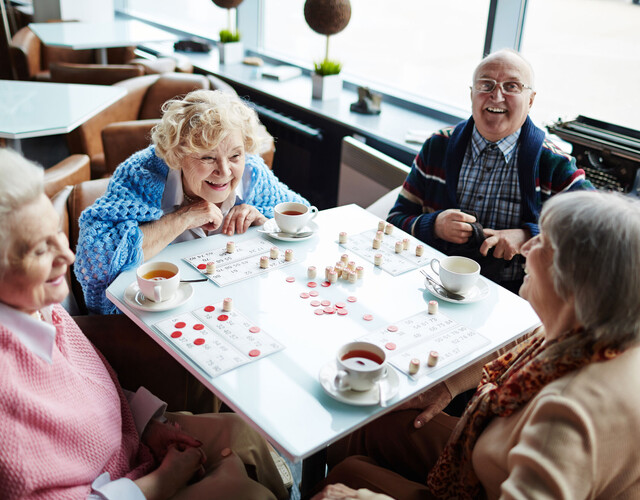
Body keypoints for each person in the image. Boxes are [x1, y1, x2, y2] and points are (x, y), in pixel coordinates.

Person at [0, 148, 289, 500]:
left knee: (242, 432)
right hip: (125, 488)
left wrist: (149, 424)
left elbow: (85, 391)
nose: (68, 256)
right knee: (250, 494)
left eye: (57, 236)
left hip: (130, 448)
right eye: (39, 250)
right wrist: (162, 481)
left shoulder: (39, 306)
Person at [321, 190, 640, 499]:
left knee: (345, 476)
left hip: (492, 484)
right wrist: (447, 386)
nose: (527, 247)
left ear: (574, 282)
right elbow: (521, 340)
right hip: (490, 454)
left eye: (542, 241)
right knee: (371, 423)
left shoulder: (570, 413)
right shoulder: (593, 332)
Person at [76, 89, 308, 314]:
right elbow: (95, 260)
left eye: (235, 155)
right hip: (155, 315)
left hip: (233, 305)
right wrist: (182, 218)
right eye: (208, 157)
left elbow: (303, 223)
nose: (225, 171)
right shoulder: (140, 174)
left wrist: (265, 222)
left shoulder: (252, 173)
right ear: (178, 155)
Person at [387, 49, 593, 293]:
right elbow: (394, 221)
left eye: (512, 86)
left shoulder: (554, 163)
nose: (496, 96)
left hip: (514, 296)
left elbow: (594, 234)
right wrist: (433, 226)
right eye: (486, 85)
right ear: (471, 94)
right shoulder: (438, 146)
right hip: (434, 285)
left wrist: (529, 237)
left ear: (531, 100)